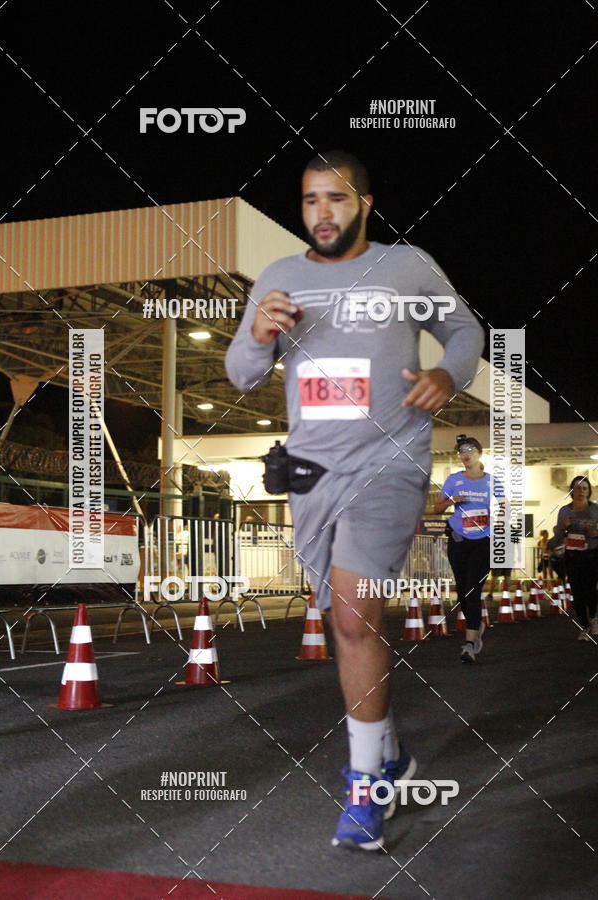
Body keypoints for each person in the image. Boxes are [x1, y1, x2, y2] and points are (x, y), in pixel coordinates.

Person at [225, 151, 484, 850]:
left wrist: (445, 374)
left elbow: (465, 332)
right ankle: (391, 758)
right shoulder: (279, 279)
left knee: (354, 610)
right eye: (310, 201)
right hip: (312, 475)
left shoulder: (408, 267)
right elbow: (242, 373)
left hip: (389, 464)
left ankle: (366, 787)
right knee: (345, 625)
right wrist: (257, 334)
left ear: (365, 204)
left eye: (336, 199)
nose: (322, 213)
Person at [434, 435, 496, 663]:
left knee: (473, 589)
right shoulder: (453, 480)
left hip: (483, 542)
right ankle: (475, 623)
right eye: (461, 451)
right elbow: (437, 508)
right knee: (462, 591)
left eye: (469, 449)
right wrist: (451, 501)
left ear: (479, 453)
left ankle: (469, 644)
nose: (465, 454)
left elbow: (504, 509)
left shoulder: (492, 482)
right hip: (459, 541)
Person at [552, 476, 598, 640]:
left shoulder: (595, 509)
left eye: (584, 488)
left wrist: (596, 533)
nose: (581, 491)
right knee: (577, 594)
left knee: (590, 592)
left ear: (589, 491)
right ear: (572, 491)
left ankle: (593, 617)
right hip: (573, 556)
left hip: (592, 555)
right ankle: (584, 626)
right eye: (577, 488)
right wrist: (563, 528)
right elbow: (557, 535)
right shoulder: (565, 511)